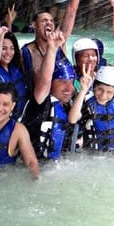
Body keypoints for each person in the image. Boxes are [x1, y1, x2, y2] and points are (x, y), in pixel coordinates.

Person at [20, 0, 101, 83]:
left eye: (51, 21)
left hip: (63, 1)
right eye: (44, 21)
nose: (49, 23)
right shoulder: (26, 52)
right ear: (34, 25)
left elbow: (72, 11)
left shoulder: (59, 42)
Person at [22, 29, 75, 161]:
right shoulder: (41, 101)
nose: (68, 88)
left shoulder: (69, 105)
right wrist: (51, 48)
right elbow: (45, 80)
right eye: (62, 82)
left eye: (71, 82)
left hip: (56, 164)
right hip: (34, 164)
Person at [69, 65, 114, 155]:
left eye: (109, 92)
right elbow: (72, 119)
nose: (103, 95)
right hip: (92, 155)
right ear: (94, 87)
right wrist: (83, 90)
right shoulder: (87, 104)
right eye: (100, 89)